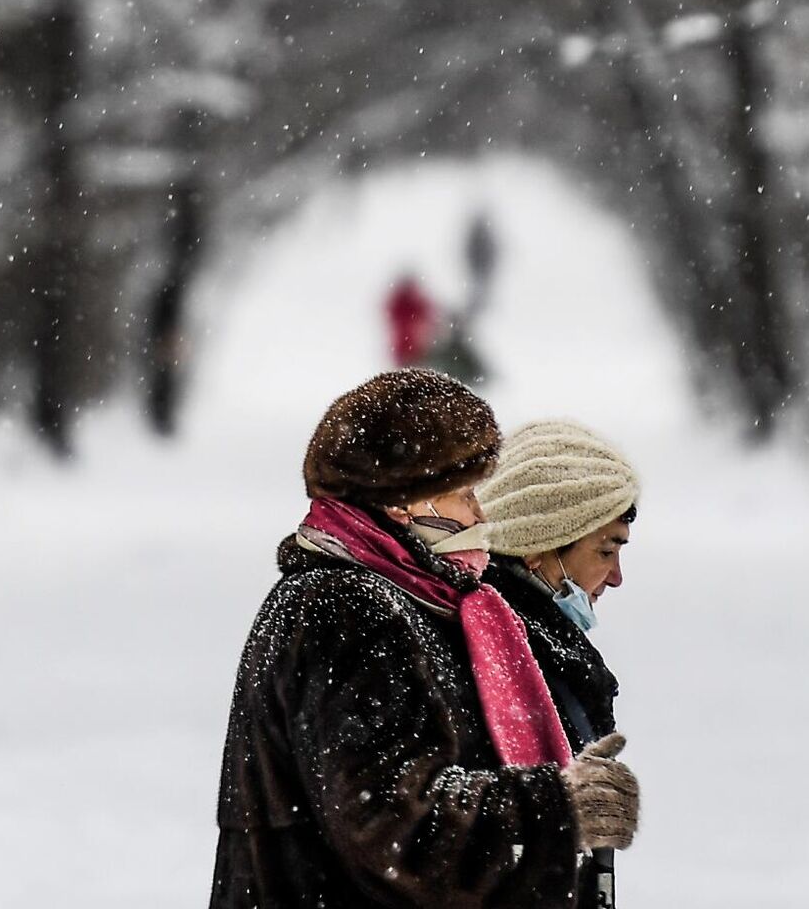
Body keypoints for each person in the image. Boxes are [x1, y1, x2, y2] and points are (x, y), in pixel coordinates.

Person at [210, 370, 639, 909]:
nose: (481, 515)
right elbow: (389, 824)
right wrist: (557, 809)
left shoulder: (401, 599)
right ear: (402, 503)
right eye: (463, 495)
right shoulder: (348, 608)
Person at [478, 420, 640, 909]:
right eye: (605, 550)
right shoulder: (502, 657)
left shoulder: (541, 644)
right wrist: (562, 806)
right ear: (536, 548)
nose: (616, 578)